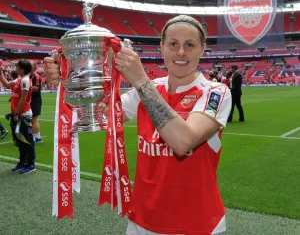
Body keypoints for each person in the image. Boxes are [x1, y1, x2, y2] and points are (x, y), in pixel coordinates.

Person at [44, 15, 232, 235]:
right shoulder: (148, 89)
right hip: (141, 221)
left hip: (195, 224)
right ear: (162, 47)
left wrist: (141, 80)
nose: (181, 52)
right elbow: (99, 115)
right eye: (173, 44)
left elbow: (184, 142)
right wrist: (70, 82)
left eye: (189, 45)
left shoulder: (216, 93)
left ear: (202, 49)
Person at [0, 60, 36, 174]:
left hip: (23, 114)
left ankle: (31, 164)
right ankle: (22, 162)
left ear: (22, 69)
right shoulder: (20, 79)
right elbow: (6, 84)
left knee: (27, 141)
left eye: (17, 67)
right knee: (20, 141)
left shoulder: (25, 81)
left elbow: (23, 99)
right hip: (18, 114)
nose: (15, 68)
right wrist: (0, 73)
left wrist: (17, 113)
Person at [30, 62, 42, 143]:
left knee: (34, 119)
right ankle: (37, 136)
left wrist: (26, 86)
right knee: (33, 119)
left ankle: (34, 137)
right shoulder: (31, 76)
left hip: (35, 100)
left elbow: (36, 88)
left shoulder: (36, 76)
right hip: (32, 99)